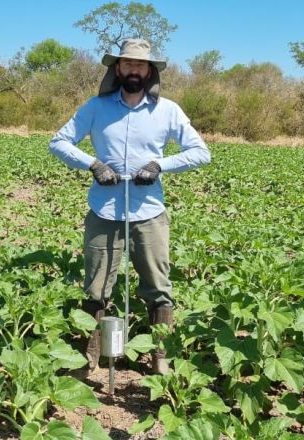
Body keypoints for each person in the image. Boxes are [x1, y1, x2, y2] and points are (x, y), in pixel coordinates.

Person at [49, 39, 211, 375]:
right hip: (104, 212)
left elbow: (200, 152)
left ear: (149, 71)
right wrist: (93, 164)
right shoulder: (96, 107)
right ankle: (90, 358)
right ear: (117, 69)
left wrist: (159, 166)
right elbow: (59, 142)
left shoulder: (168, 111)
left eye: (140, 65)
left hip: (148, 212)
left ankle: (161, 357)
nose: (134, 70)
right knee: (96, 288)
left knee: (158, 287)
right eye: (127, 64)